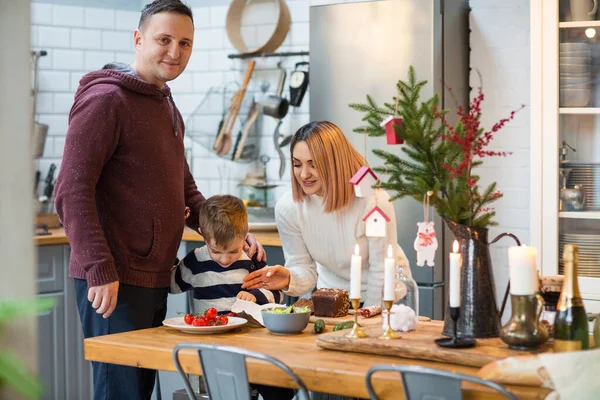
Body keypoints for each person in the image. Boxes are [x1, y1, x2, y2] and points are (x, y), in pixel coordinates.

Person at [54, 2, 264, 399]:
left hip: (151, 277)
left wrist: (234, 234)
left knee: (139, 390)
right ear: (138, 39)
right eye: (163, 39)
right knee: (121, 392)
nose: (175, 52)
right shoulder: (107, 101)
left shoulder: (166, 105)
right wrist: (100, 268)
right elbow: (70, 189)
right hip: (113, 280)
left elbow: (186, 193)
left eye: (184, 43)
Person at [243, 121, 410, 307]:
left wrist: (367, 317)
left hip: (385, 298)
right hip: (332, 298)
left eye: (313, 164)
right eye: (297, 164)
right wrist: (290, 278)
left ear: (335, 163)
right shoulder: (288, 207)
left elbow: (381, 270)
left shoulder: (373, 201)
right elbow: (304, 269)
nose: (304, 174)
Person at [171, 195, 294, 400]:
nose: (225, 259)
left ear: (246, 234)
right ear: (202, 234)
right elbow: (171, 286)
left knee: (277, 389)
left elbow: (276, 294)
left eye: (233, 251)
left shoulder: (252, 259)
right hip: (213, 348)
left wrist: (255, 295)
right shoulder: (194, 262)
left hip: (252, 345)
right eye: (216, 251)